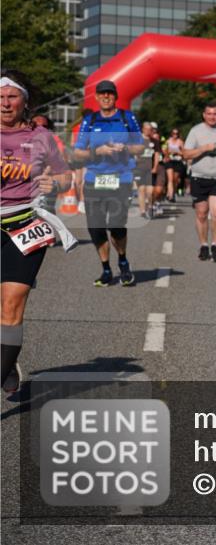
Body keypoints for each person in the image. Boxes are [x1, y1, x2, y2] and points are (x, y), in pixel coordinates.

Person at [2, 70, 76, 394]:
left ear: (25, 101)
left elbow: (66, 176)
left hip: (27, 222)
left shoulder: (41, 137)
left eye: (12, 97)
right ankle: (6, 361)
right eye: (0, 98)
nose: (5, 103)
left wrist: (53, 182)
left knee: (12, 302)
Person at [72, 80, 144, 287]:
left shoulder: (127, 117)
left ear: (115, 97)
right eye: (102, 93)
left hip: (121, 178)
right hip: (94, 179)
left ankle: (123, 261)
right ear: (96, 97)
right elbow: (77, 152)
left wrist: (125, 148)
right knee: (95, 228)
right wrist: (97, 151)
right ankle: (105, 269)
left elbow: (140, 147)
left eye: (110, 93)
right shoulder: (90, 120)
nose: (106, 96)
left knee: (116, 225)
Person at [182, 102, 216, 262]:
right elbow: (186, 154)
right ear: (204, 115)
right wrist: (204, 148)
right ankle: (204, 245)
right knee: (202, 214)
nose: (212, 117)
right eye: (209, 114)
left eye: (215, 114)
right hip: (199, 177)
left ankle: (215, 245)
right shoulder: (195, 131)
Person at [135, 122, 157, 219]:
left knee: (150, 191)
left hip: (150, 169)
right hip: (139, 168)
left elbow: (157, 155)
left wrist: (155, 167)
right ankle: (143, 211)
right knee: (141, 189)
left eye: (150, 129)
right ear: (143, 129)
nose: (148, 131)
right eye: (146, 129)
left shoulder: (154, 141)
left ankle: (150, 206)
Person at [165, 128, 185, 201]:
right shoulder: (168, 141)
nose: (175, 135)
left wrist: (177, 152)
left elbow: (184, 152)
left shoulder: (180, 142)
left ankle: (172, 193)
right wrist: (168, 154)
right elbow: (164, 150)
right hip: (170, 161)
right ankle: (170, 196)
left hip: (178, 161)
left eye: (176, 134)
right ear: (171, 134)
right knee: (170, 179)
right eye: (173, 133)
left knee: (175, 179)